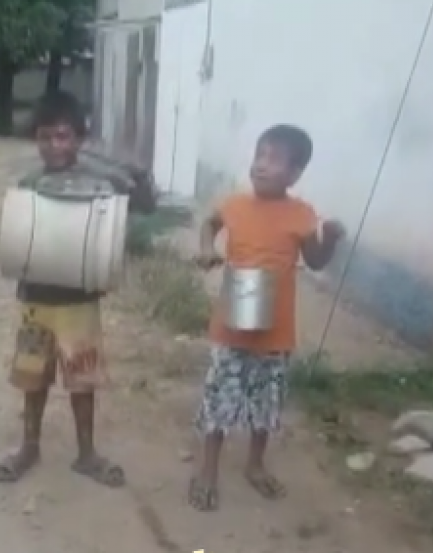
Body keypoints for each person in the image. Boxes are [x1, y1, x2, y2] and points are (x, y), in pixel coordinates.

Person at [0, 90, 157, 487]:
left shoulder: (102, 182)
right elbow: (17, 233)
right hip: (35, 300)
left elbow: (147, 205)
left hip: (80, 302)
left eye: (63, 136)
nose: (54, 145)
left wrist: (140, 176)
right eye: (45, 136)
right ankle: (29, 446)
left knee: (83, 379)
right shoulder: (28, 184)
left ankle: (86, 453)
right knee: (34, 378)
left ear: (80, 139)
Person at [188, 124, 345, 511]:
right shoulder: (236, 204)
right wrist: (208, 250)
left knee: (266, 402)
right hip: (231, 324)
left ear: (294, 174)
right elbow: (210, 223)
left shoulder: (302, 214)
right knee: (220, 397)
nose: (260, 165)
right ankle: (208, 469)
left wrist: (333, 239)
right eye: (259, 155)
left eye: (273, 160)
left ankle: (255, 465)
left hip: (275, 331)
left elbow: (315, 260)